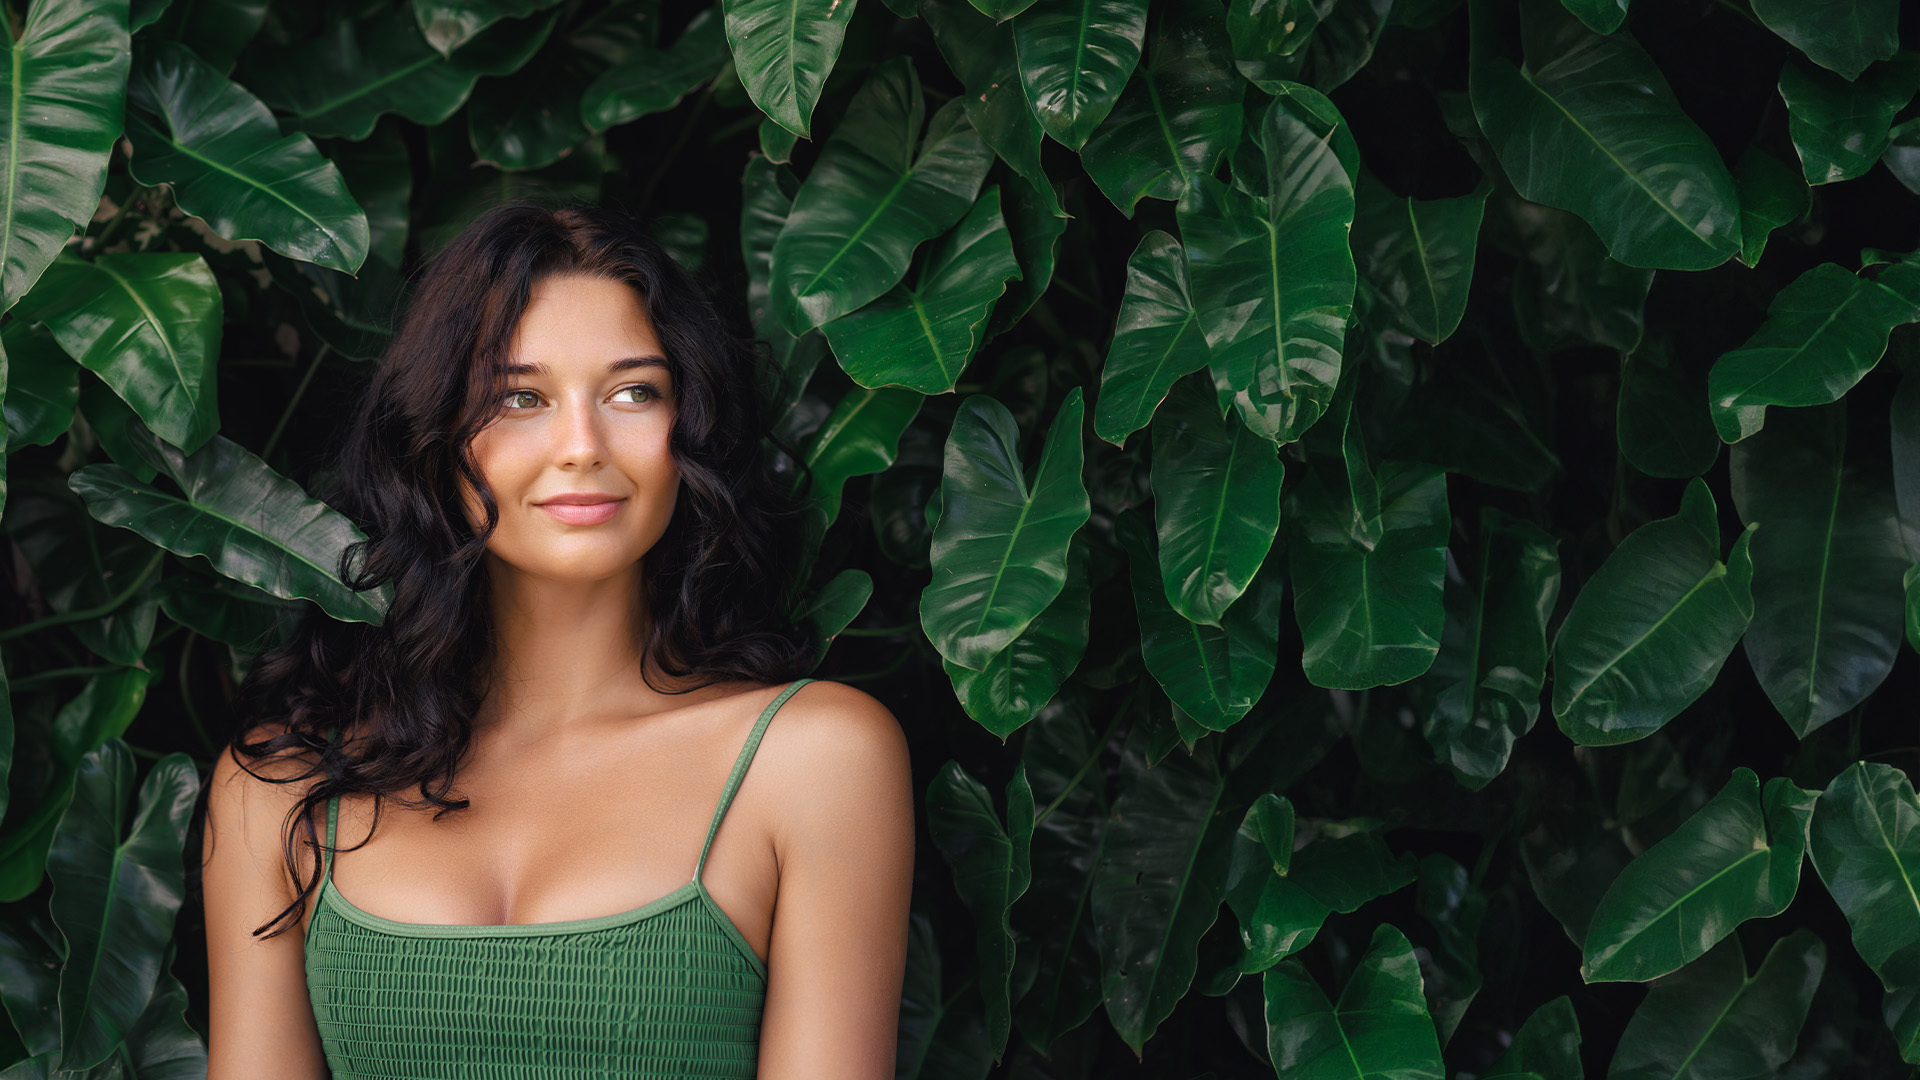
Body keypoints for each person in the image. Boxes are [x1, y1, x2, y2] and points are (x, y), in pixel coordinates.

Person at [200, 204, 914, 1079]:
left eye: (634, 393)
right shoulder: (282, 786)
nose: (582, 446)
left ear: (692, 428)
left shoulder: (813, 760)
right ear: (431, 437)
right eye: (520, 398)